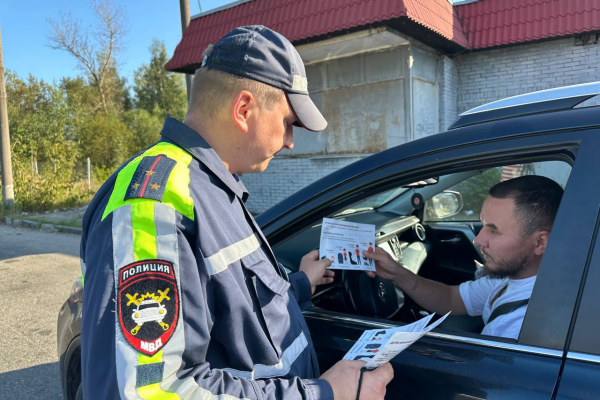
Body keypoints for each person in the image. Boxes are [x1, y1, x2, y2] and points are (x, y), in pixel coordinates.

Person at [80, 25, 392, 400]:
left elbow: (230, 308)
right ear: (244, 109)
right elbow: (153, 390)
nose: (291, 143)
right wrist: (323, 393)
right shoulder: (153, 204)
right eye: (289, 123)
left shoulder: (212, 185)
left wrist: (300, 285)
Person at [364, 175, 563, 339]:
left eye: (493, 230)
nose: (479, 240)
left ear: (540, 243)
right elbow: (451, 298)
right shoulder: (512, 276)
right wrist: (396, 273)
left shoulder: (522, 324)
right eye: (483, 225)